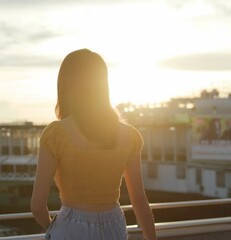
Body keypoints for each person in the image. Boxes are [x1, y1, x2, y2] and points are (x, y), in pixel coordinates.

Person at [31, 49, 156, 240]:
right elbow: (139, 201)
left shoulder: (56, 134)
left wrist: (53, 229)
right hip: (114, 224)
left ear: (65, 85)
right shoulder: (130, 136)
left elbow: (37, 205)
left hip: (71, 227)